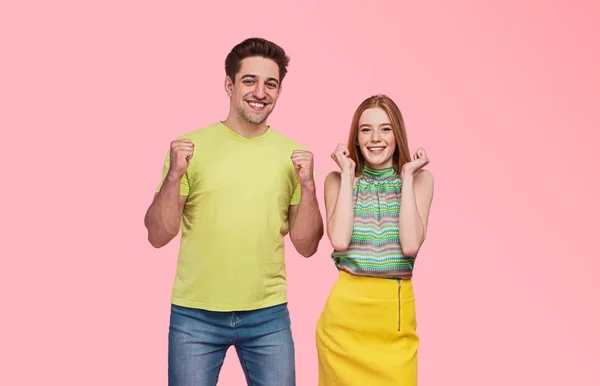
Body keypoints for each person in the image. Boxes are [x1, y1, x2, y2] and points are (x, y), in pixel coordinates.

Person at [144, 37, 324, 386]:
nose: (260, 91)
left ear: (279, 91)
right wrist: (175, 174)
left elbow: (306, 246)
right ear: (229, 85)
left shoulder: (294, 155)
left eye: (270, 83)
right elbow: (157, 235)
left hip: (267, 316)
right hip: (195, 316)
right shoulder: (190, 148)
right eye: (249, 80)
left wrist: (309, 187)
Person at [315, 94, 434, 385]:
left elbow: (410, 245)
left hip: (393, 322)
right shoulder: (337, 181)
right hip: (343, 322)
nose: (375, 138)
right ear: (355, 137)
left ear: (397, 134)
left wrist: (406, 176)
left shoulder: (420, 180)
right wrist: (346, 174)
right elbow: (340, 241)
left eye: (385, 128)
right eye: (365, 129)